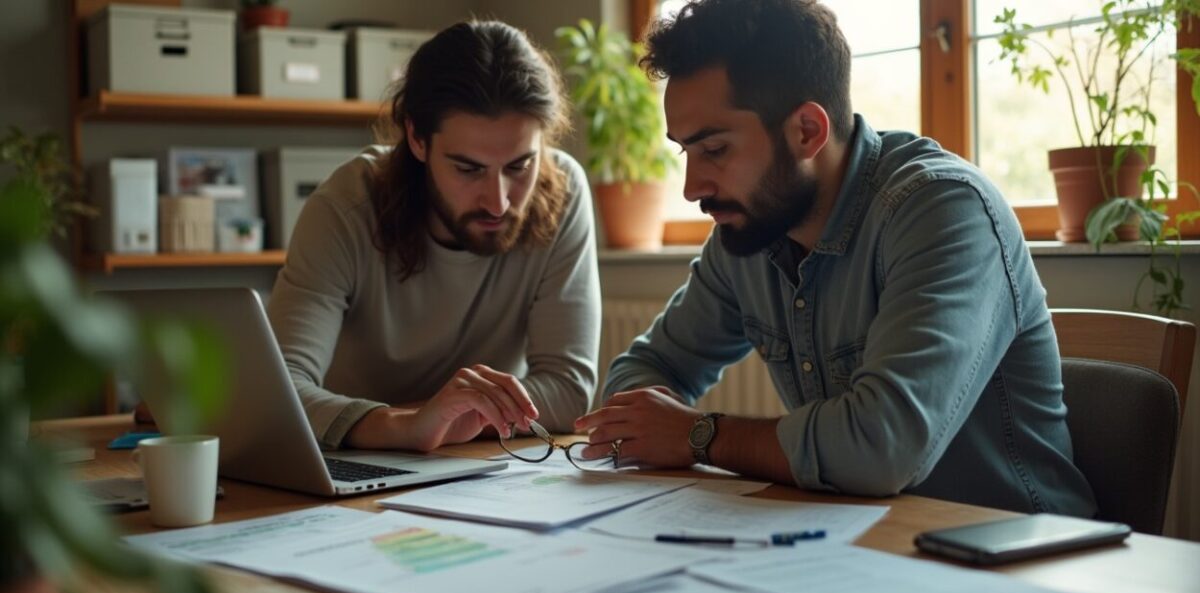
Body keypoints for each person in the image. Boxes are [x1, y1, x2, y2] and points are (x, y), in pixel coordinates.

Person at [575, 0, 1096, 516]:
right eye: (685, 152)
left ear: (807, 131)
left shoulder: (944, 210)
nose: (691, 188)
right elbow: (647, 368)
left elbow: (881, 447)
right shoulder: (753, 231)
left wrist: (698, 435)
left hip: (1022, 549)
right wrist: (644, 423)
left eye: (714, 150)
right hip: (860, 540)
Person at [268, 21, 600, 453]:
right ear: (417, 139)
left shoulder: (562, 192)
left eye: (519, 166)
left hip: (477, 460)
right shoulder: (344, 206)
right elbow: (280, 391)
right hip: (357, 457)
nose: (498, 202)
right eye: (468, 169)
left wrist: (434, 422)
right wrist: (406, 427)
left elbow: (568, 391)